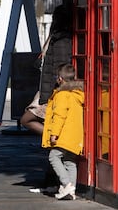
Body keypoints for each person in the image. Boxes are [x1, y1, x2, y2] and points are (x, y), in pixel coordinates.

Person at [20, 5, 72, 135]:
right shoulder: (55, 38)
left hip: (53, 90)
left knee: (27, 119)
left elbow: (61, 66)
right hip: (49, 88)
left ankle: (57, 140)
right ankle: (55, 139)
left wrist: (56, 89)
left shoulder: (61, 40)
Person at [41, 63, 84, 200]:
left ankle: (67, 184)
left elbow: (59, 116)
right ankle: (71, 191)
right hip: (75, 135)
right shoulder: (77, 94)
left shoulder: (62, 95)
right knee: (70, 162)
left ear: (60, 79)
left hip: (63, 134)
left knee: (53, 156)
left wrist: (54, 134)